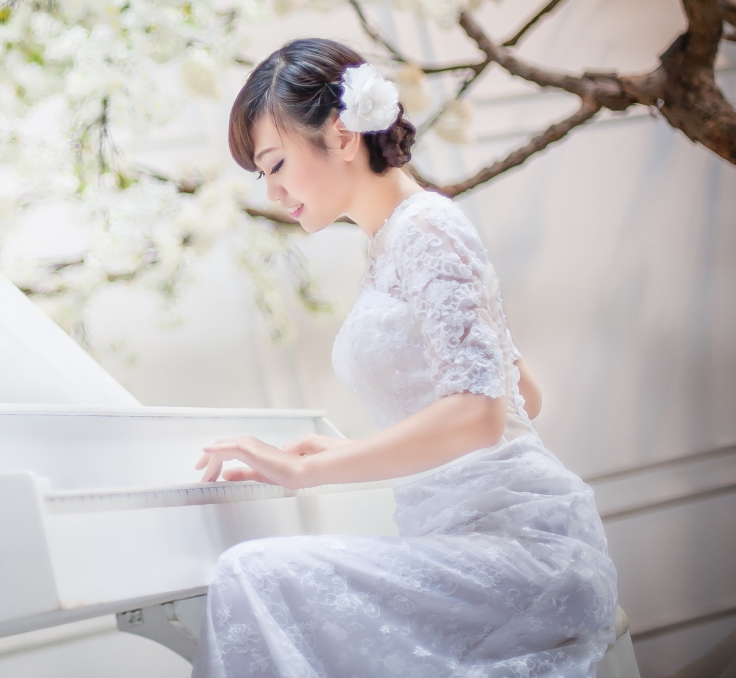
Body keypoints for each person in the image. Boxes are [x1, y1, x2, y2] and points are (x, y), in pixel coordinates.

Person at [190, 38, 620, 677]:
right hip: (465, 542)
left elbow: (481, 414)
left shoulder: (425, 228)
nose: (274, 191)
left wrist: (309, 473)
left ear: (340, 136)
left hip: (520, 554)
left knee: (253, 572)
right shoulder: (399, 239)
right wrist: (329, 450)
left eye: (276, 163)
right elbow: (520, 394)